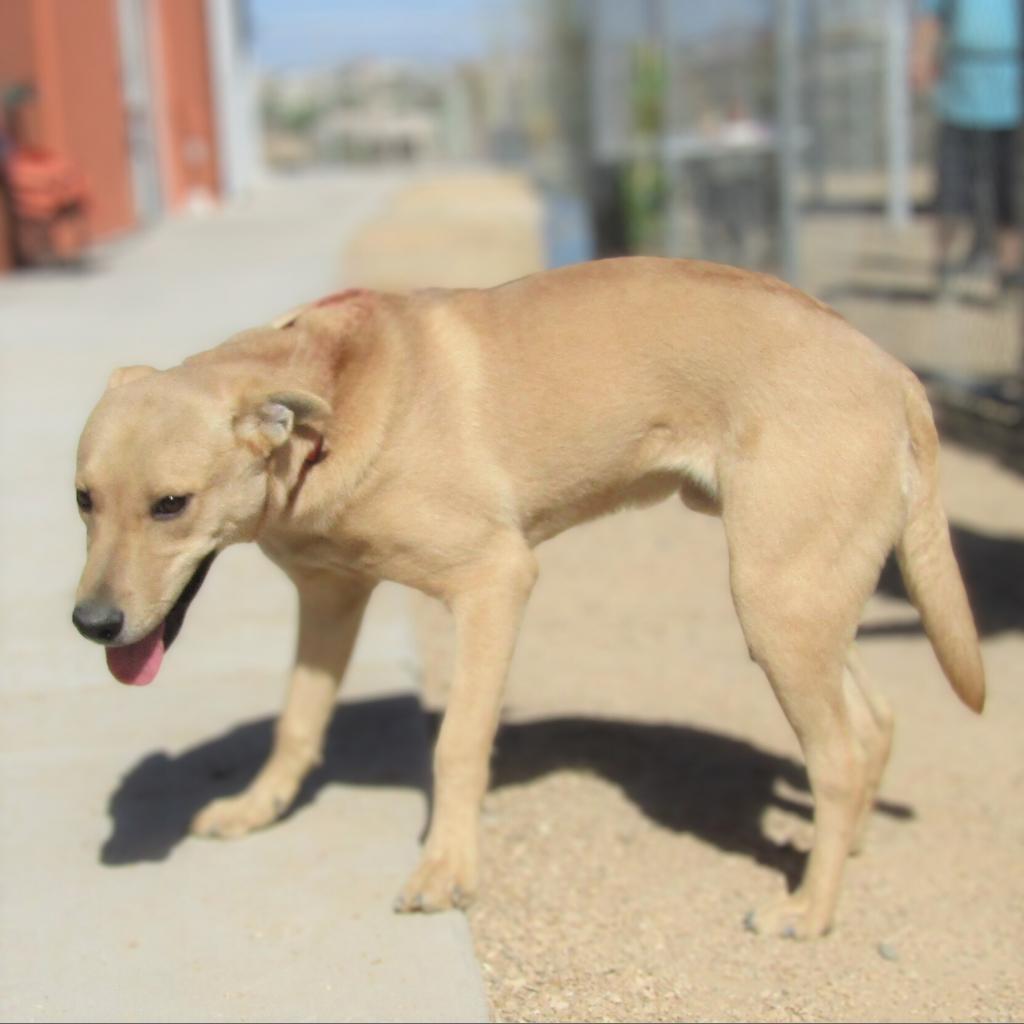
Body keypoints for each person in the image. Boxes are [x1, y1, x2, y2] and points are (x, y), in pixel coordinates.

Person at [912, 0, 1023, 292]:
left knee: (1008, 192)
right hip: (958, 97)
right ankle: (944, 265)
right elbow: (930, 17)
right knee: (951, 187)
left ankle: (1009, 270)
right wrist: (921, 58)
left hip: (1010, 98)